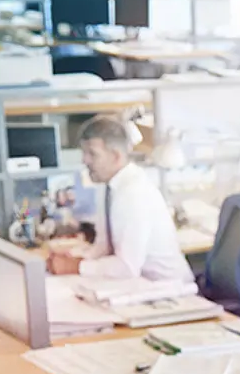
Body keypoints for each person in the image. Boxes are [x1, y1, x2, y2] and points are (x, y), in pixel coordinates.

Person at [47, 114, 189, 284]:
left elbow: (127, 267)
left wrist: (76, 266)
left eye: (92, 154)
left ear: (115, 156)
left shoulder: (134, 193)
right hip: (138, 285)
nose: (85, 160)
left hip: (169, 290)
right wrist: (73, 257)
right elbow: (104, 246)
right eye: (84, 153)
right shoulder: (107, 186)